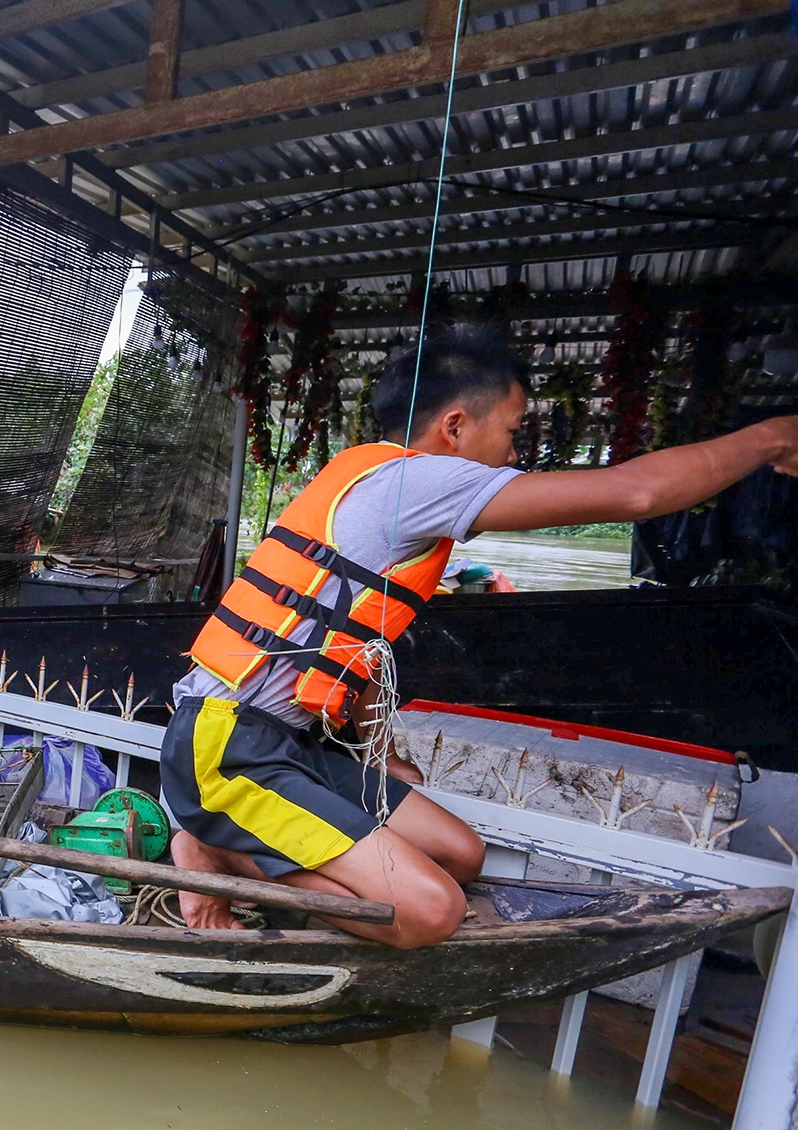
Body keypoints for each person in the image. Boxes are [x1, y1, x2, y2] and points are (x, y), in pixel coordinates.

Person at [163, 323, 798, 948]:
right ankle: (216, 853)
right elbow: (637, 493)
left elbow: (347, 647)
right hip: (227, 749)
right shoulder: (417, 482)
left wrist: (380, 753)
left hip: (286, 743)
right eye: (513, 431)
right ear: (456, 426)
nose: (514, 454)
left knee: (460, 856)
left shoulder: (377, 478)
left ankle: (238, 845)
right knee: (429, 913)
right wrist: (771, 438)